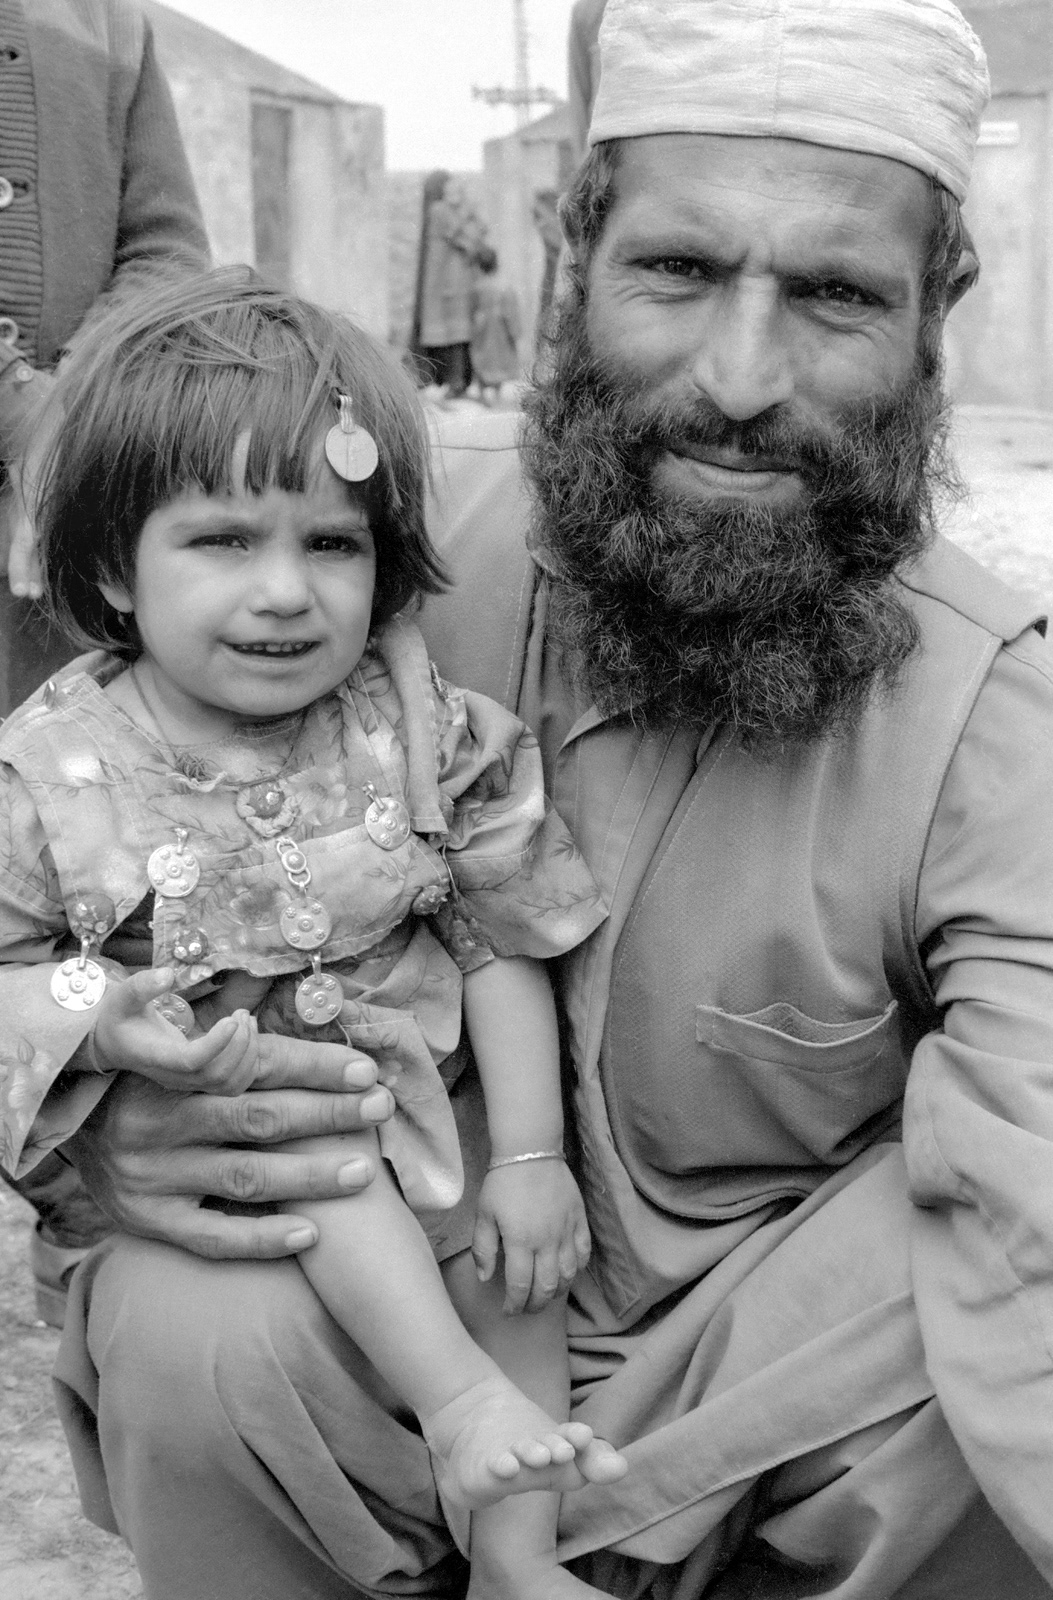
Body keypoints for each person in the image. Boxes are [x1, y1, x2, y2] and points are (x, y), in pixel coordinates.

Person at [13, 0, 1053, 1595]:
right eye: (678, 270)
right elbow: (45, 942)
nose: (740, 378)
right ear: (577, 255)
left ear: (940, 308)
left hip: (753, 1382)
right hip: (395, 1288)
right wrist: (97, 1091)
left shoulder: (992, 710)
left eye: (836, 293)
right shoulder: (368, 563)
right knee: (185, 1310)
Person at [0, 266, 628, 1591]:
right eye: (225, 540)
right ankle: (452, 1421)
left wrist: (527, 1155)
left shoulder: (421, 727)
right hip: (257, 1156)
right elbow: (7, 969)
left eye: (331, 545)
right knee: (321, 1166)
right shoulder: (50, 773)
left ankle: (517, 1557)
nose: (287, 591)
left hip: (439, 1130)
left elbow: (497, 932)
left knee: (523, 1284)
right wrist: (96, 1013)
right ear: (115, 564)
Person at [0, 0, 210, 1322]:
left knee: (68, 874)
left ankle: (75, 1183)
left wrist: (68, 417)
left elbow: (163, 250)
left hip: (51, 538)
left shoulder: (106, 20)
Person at [410, 171, 488, 400]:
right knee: (449, 331)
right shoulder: (440, 210)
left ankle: (459, 381)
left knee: (458, 331)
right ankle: (450, 381)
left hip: (453, 279)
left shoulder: (451, 211)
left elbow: (477, 233)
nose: (455, 195)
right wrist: (469, 214)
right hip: (441, 281)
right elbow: (458, 234)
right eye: (451, 190)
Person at [469, 248, 522, 405]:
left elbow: (472, 310)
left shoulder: (477, 286)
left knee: (483, 357)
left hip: (484, 327)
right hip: (500, 328)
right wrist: (514, 331)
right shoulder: (504, 285)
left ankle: (483, 392)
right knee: (497, 358)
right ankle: (496, 392)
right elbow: (511, 311)